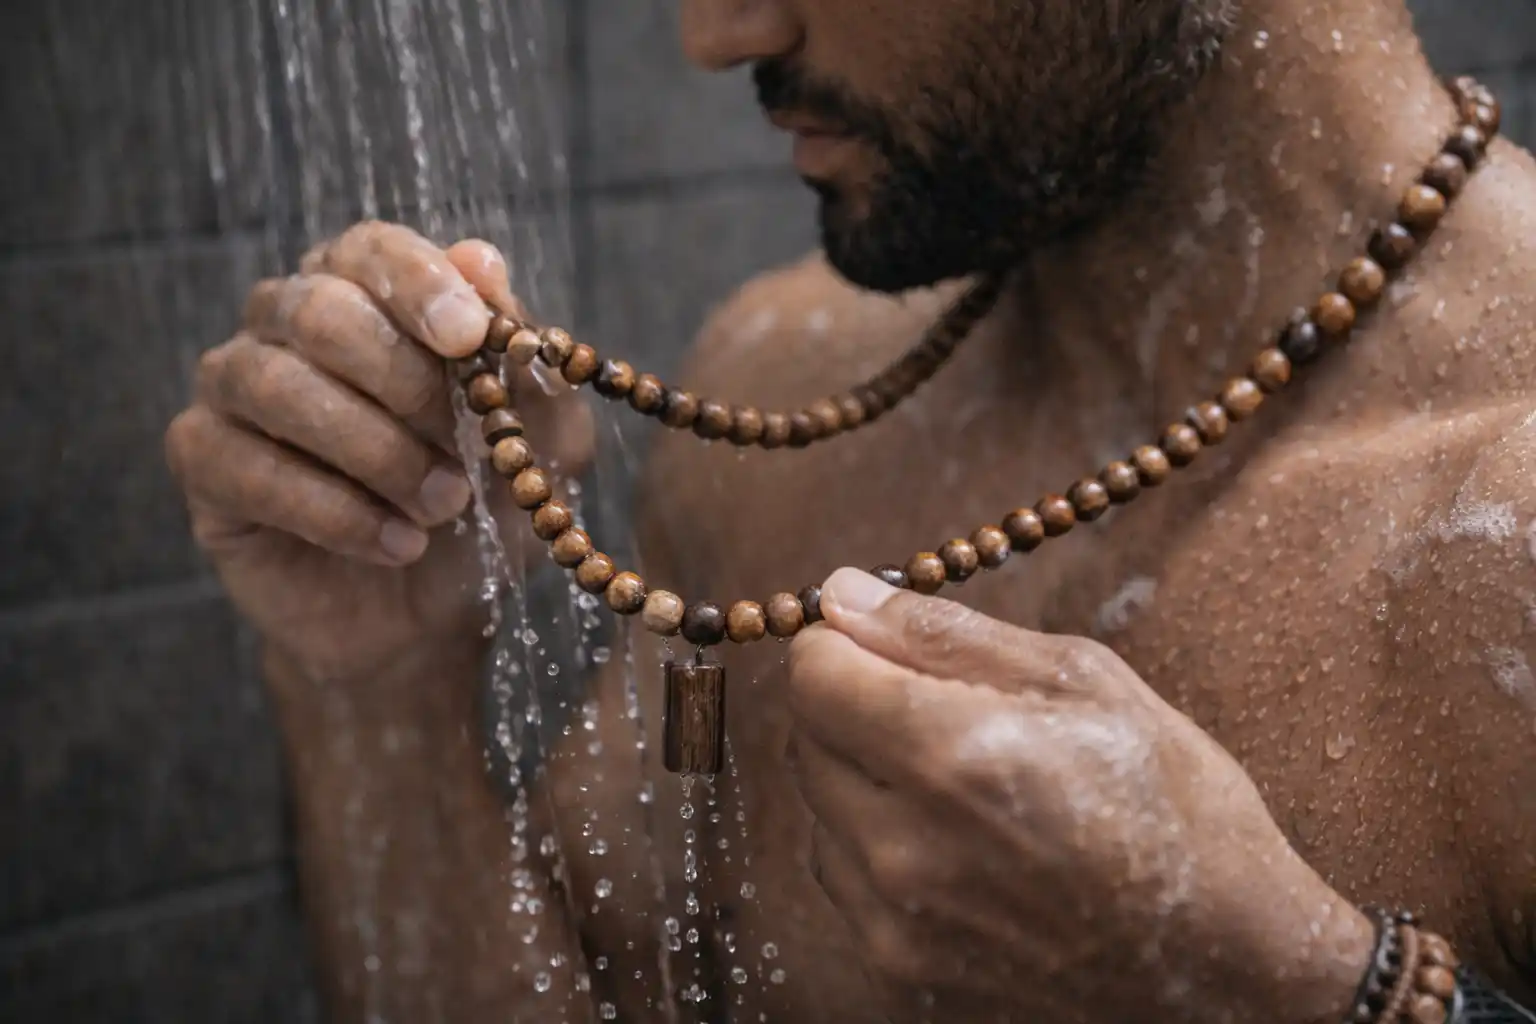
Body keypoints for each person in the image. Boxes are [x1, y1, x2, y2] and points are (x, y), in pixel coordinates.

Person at [165, 0, 1536, 1020]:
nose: (717, 34)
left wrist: (1305, 993)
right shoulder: (776, 388)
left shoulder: (1508, 520)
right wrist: (379, 681)